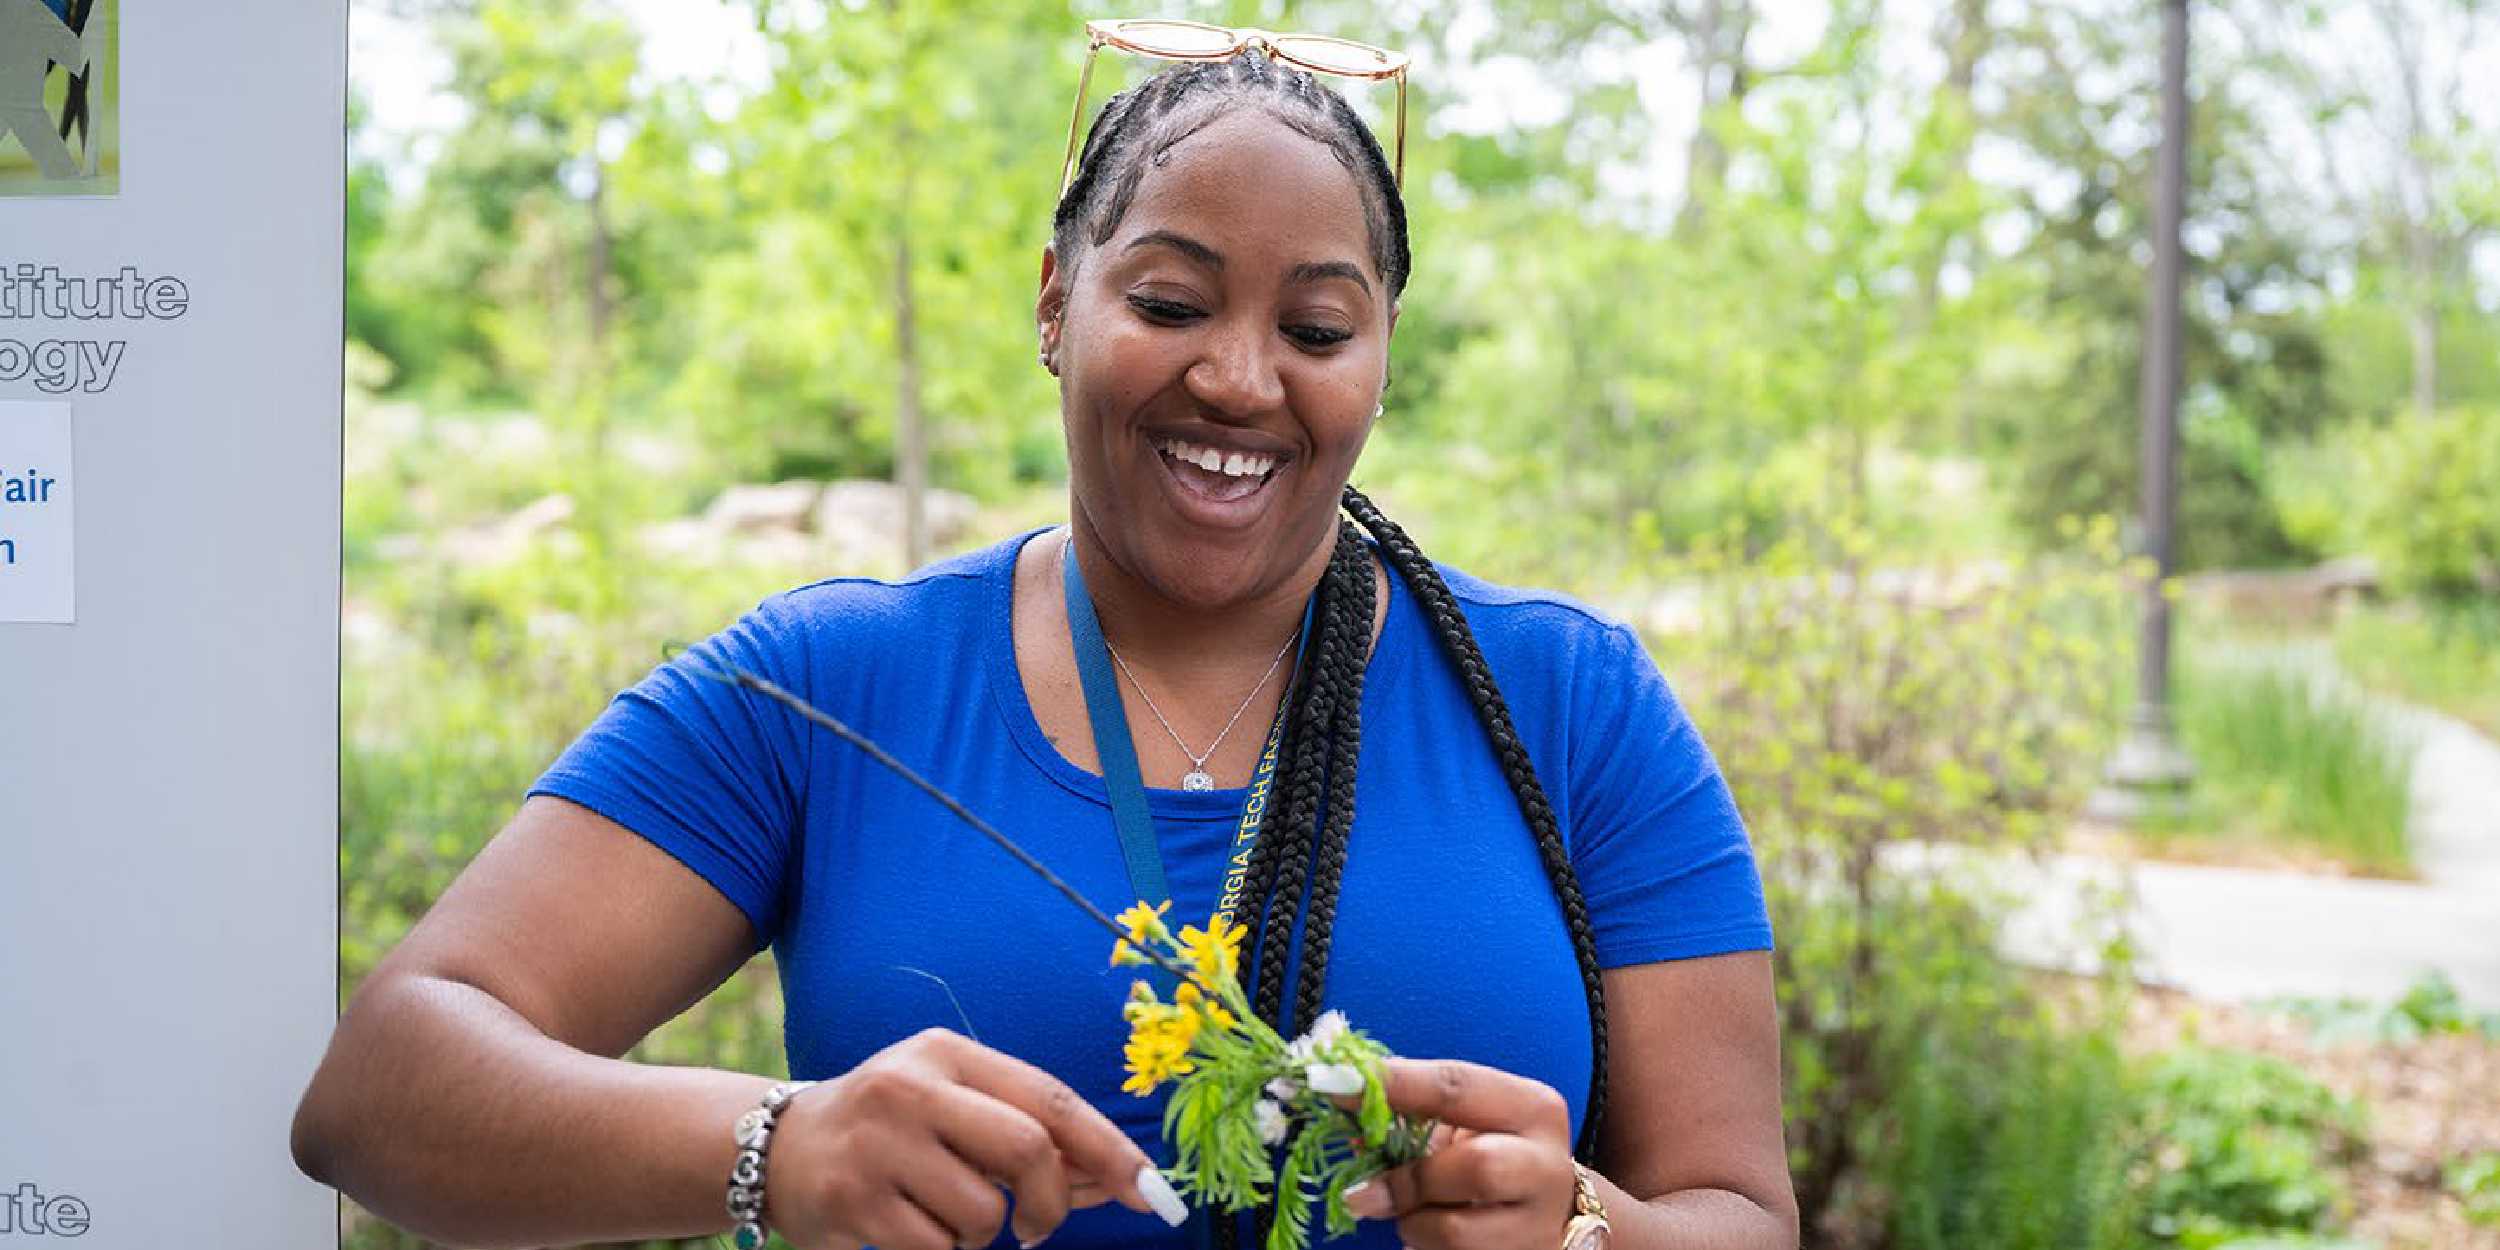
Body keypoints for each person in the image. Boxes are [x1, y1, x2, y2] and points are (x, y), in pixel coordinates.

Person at [291, 36, 1800, 1250]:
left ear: (1381, 361)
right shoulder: (828, 687)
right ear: (1055, 302)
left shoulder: (1573, 706)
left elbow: (1740, 1214)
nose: (1238, 376)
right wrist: (776, 1146)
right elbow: (384, 1089)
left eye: (1319, 329)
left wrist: (1585, 1225)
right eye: (1170, 298)